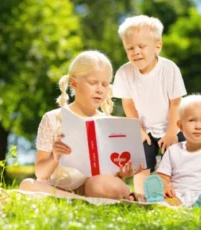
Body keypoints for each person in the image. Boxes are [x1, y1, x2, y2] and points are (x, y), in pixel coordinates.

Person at [19, 50, 144, 200]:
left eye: (105, 84)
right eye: (93, 83)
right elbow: (41, 173)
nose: (99, 89)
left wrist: (122, 173)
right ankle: (82, 200)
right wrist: (55, 156)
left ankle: (84, 199)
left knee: (107, 186)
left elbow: (110, 174)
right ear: (74, 83)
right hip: (57, 188)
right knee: (27, 185)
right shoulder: (53, 118)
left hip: (96, 186)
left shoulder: (109, 123)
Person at [112, 15, 187, 194]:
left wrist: (171, 132)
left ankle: (181, 196)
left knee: (181, 162)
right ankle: (142, 196)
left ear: (158, 46)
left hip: (172, 126)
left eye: (141, 46)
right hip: (144, 129)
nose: (136, 52)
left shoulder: (169, 69)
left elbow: (175, 103)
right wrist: (138, 129)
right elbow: (128, 104)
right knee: (141, 163)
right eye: (130, 48)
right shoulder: (124, 73)